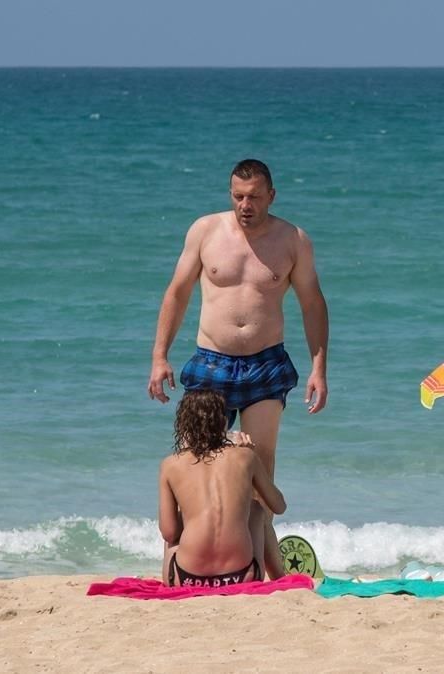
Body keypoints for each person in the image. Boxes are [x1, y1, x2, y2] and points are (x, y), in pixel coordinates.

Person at [147, 158, 328, 579]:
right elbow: (177, 293)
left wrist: (319, 367)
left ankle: (266, 577)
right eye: (238, 196)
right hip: (210, 362)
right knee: (192, 467)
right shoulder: (205, 231)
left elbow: (313, 303)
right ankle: (174, 574)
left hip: (266, 365)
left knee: (258, 478)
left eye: (254, 197)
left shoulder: (293, 240)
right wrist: (160, 356)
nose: (245, 205)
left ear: (272, 196)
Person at [159, 389, 287, 587]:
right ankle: (281, 578)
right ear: (224, 422)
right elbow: (279, 506)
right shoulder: (245, 457)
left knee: (183, 515)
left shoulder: (171, 464)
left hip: (185, 578)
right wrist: (250, 464)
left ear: (184, 426)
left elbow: (168, 533)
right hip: (242, 576)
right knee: (256, 509)